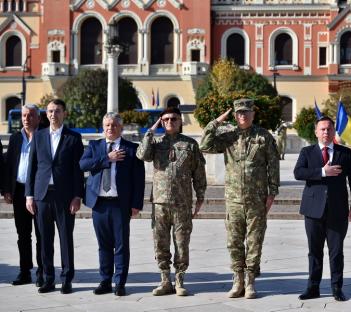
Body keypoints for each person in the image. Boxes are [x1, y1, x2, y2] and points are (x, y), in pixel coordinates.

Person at [199, 98, 280, 299]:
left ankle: (251, 281)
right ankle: (238, 279)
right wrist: (216, 122)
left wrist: (272, 193)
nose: (242, 116)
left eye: (246, 112)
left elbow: (273, 165)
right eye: (239, 113)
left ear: (253, 114)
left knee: (254, 242)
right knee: (233, 241)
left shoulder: (263, 137)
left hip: (257, 199)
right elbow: (205, 145)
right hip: (234, 199)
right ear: (234, 115)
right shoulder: (228, 136)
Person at [137, 107, 206, 296]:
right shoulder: (156, 143)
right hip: (159, 203)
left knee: (182, 243)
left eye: (173, 119)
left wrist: (200, 197)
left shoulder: (190, 144)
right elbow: (141, 155)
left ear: (180, 121)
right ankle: (165, 280)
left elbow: (199, 173)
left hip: (182, 203)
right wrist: (150, 133)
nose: (170, 122)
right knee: (160, 243)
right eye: (165, 119)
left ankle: (180, 280)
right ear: (161, 121)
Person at [294, 116, 351, 302]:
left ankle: (337, 288)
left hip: (338, 211)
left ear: (334, 132)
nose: (326, 132)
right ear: (316, 132)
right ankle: (313, 287)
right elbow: (298, 173)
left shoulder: (345, 153)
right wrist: (323, 172)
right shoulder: (307, 152)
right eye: (322, 129)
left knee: (336, 251)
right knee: (314, 251)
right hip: (313, 210)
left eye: (329, 129)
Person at [79, 112, 145, 296]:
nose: (110, 128)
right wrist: (107, 158)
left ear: (121, 128)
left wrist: (136, 204)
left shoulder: (131, 149)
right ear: (103, 127)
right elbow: (83, 165)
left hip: (120, 204)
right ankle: (105, 281)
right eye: (107, 125)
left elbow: (138, 180)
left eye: (114, 125)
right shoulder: (95, 146)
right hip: (99, 203)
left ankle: (120, 283)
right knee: (104, 245)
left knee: (121, 244)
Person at [25, 99, 84, 294]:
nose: (53, 114)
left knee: (66, 239)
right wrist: (29, 196)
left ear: (64, 113)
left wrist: (77, 196)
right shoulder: (38, 136)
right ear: (46, 114)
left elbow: (78, 171)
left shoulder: (74, 138)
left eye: (57, 111)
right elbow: (31, 168)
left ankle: (67, 279)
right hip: (42, 196)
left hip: (65, 197)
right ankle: (48, 279)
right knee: (44, 240)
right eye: (50, 111)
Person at [3, 104, 43, 287]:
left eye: (31, 115)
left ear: (38, 118)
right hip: (19, 191)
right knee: (23, 234)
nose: (27, 118)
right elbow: (9, 165)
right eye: (24, 115)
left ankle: (42, 271)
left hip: (40, 192)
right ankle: (25, 271)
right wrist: (6, 189)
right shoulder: (16, 138)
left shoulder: (44, 136)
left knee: (42, 234)